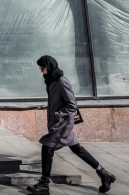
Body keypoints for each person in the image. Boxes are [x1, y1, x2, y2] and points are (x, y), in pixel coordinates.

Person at [27, 55, 116, 194]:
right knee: (77, 149)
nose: (41, 71)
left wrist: (57, 114)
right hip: (59, 123)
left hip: (63, 124)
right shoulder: (51, 80)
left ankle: (44, 183)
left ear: (49, 67)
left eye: (42, 68)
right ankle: (104, 173)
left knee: (47, 148)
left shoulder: (62, 81)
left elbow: (72, 105)